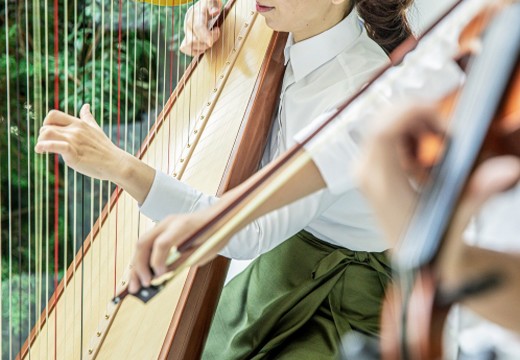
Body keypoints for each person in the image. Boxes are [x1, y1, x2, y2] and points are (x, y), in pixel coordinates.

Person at [35, 0, 426, 358]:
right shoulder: (304, 27)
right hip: (291, 257)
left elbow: (251, 228)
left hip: (346, 299)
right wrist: (206, 17)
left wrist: (120, 167)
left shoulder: (355, 94)